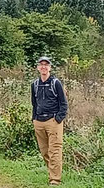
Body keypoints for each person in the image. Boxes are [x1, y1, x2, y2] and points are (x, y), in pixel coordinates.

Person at [31, 55, 68, 186]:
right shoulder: (34, 84)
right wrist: (34, 119)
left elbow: (64, 103)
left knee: (55, 150)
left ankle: (55, 179)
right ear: (38, 68)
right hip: (39, 121)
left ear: (50, 68)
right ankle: (52, 172)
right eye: (41, 64)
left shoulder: (55, 83)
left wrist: (58, 119)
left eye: (46, 65)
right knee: (44, 151)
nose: (44, 67)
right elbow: (34, 103)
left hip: (53, 121)